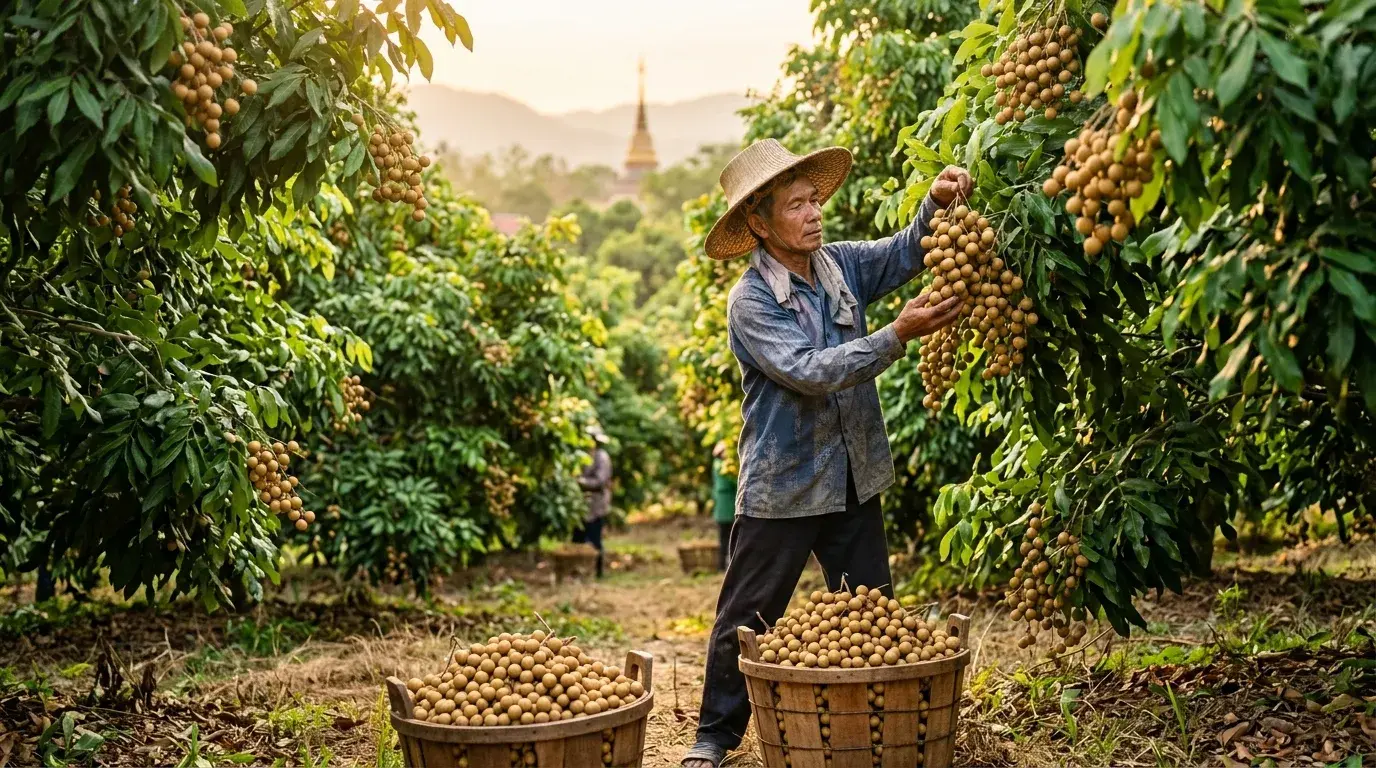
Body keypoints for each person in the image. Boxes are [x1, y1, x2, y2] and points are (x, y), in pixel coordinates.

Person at [679, 139, 971, 768]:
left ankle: (877, 727)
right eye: (796, 205)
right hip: (784, 483)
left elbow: (900, 254)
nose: (814, 213)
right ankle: (714, 735)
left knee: (873, 616)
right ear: (758, 223)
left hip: (851, 475)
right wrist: (896, 336)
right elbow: (807, 371)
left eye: (815, 200)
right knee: (746, 614)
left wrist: (935, 205)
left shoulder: (840, 265)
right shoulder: (752, 301)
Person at [573, 425, 612, 579]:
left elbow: (600, 481)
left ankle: (598, 572)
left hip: (596, 504)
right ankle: (579, 571)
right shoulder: (582, 456)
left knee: (595, 539)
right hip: (580, 505)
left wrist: (580, 482)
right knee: (577, 540)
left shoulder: (601, 457)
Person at [710, 441, 737, 571]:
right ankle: (727, 566)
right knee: (730, 538)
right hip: (728, 508)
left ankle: (722, 566)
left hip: (721, 508)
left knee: (724, 538)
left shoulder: (716, 465)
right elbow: (734, 483)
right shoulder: (723, 467)